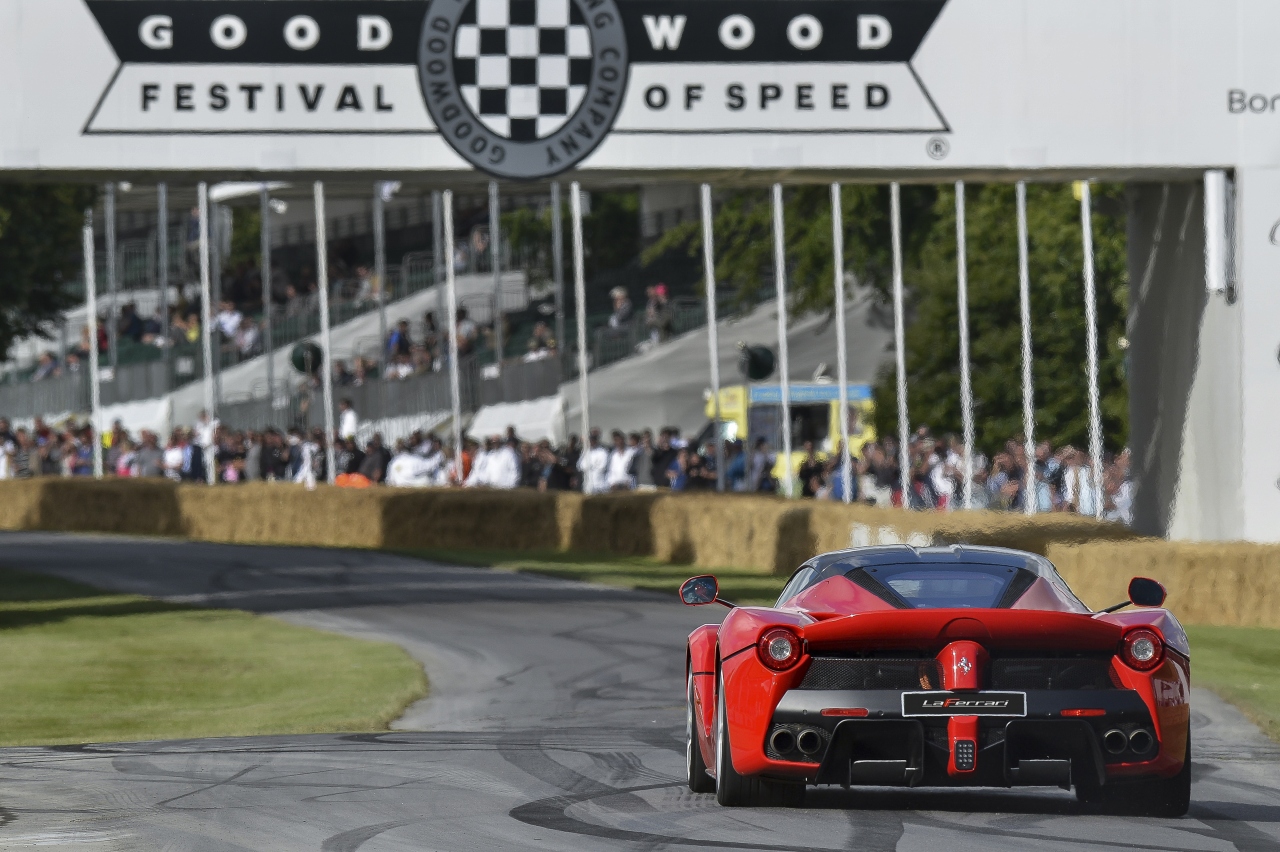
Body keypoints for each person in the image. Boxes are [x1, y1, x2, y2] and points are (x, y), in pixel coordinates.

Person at [578, 428, 610, 494]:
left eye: (593, 440)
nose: (591, 442)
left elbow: (602, 466)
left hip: (600, 484)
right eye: (590, 440)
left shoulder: (603, 452)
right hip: (587, 484)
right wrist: (592, 465)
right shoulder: (585, 452)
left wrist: (589, 466)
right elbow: (580, 466)